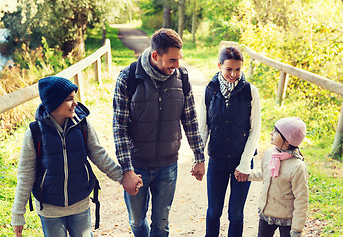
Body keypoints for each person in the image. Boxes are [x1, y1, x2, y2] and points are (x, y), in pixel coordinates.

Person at [112, 28, 205, 237]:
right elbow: (119, 128)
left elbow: (190, 120)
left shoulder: (182, 77)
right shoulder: (128, 78)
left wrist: (199, 157)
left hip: (168, 165)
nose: (177, 65)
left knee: (161, 224)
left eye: (179, 59)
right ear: (155, 56)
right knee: (136, 221)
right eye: (172, 60)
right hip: (137, 166)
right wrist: (127, 170)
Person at [11, 76, 124, 237]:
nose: (75, 103)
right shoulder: (35, 133)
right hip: (50, 209)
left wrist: (122, 177)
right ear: (54, 103)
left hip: (80, 205)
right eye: (69, 99)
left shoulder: (82, 124)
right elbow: (25, 175)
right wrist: (18, 215)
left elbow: (99, 155)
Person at [199, 46, 261, 237]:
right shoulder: (209, 90)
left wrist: (244, 164)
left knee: (235, 214)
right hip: (217, 161)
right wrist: (198, 158)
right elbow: (203, 129)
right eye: (229, 69)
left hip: (242, 162)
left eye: (238, 69)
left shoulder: (251, 92)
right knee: (213, 211)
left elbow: (254, 131)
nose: (233, 74)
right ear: (219, 66)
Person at [245, 117, 308, 237]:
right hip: (267, 213)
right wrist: (247, 175)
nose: (271, 133)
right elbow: (265, 174)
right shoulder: (270, 154)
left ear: (288, 140)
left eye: (276, 131)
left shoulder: (298, 167)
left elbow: (302, 200)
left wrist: (297, 230)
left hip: (287, 219)